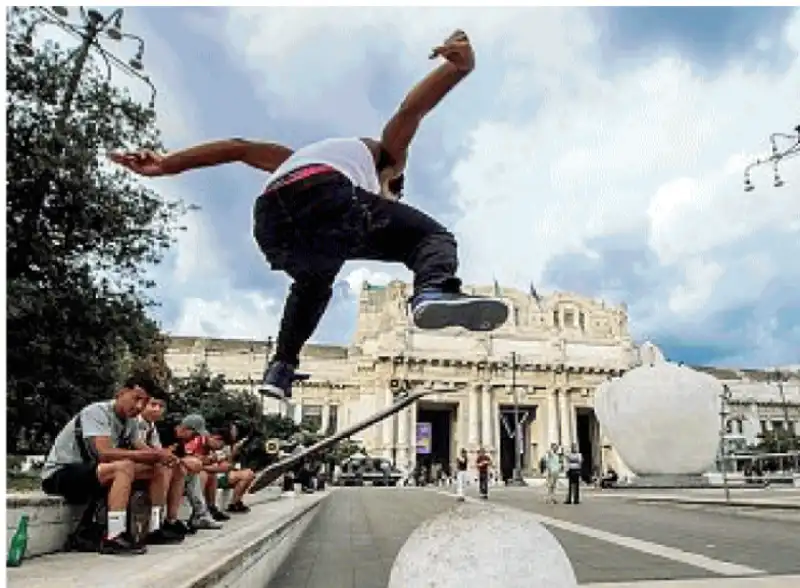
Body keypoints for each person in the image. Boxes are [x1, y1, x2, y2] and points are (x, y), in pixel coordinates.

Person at [108, 29, 508, 402]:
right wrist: (458, 69)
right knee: (431, 239)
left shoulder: (298, 158)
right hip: (328, 198)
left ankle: (281, 367)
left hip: (272, 219)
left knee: (313, 285)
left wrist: (168, 165)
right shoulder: (383, 160)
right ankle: (433, 289)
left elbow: (238, 147)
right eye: (392, 193)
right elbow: (409, 113)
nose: (391, 200)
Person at [41, 374, 185, 555]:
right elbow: (104, 452)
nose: (139, 406)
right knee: (124, 467)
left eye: (145, 401)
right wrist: (153, 454)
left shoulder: (131, 421)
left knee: (158, 468)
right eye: (136, 398)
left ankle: (153, 529)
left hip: (95, 472)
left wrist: (163, 457)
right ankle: (113, 536)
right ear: (122, 392)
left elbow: (143, 449)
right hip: (61, 473)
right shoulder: (97, 412)